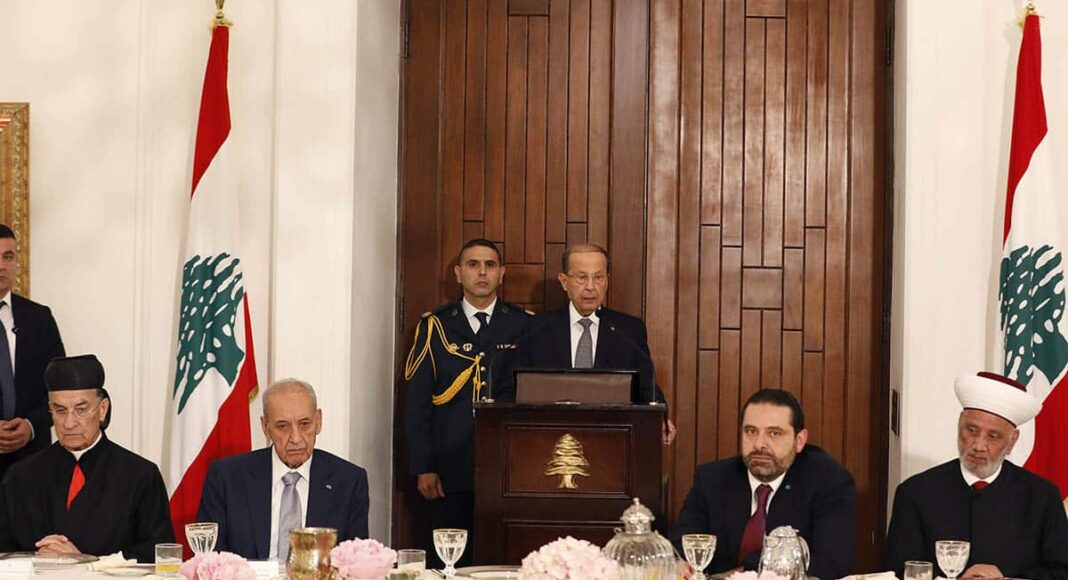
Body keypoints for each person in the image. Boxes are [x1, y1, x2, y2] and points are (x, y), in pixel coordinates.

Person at [404, 238, 531, 566]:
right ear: (459, 273)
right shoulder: (435, 326)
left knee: (504, 559)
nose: (482, 272)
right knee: (451, 560)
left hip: (510, 467)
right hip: (448, 469)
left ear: (501, 273)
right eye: (473, 265)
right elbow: (417, 403)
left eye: (490, 265)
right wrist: (423, 467)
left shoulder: (525, 325)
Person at [884, 372, 1068, 580]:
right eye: (971, 430)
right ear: (959, 425)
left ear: (1012, 441)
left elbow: (1061, 572)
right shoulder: (915, 492)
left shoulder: (1042, 496)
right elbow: (898, 570)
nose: (979, 446)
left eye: (993, 436)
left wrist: (1007, 579)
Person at [0, 354, 173, 562]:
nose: (69, 423)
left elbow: (159, 555)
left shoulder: (140, 475)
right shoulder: (20, 476)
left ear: (102, 409)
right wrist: (38, 560)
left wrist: (86, 561)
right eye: (60, 410)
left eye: (81, 410)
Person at [499, 243, 676, 444]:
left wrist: (660, 417)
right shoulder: (536, 328)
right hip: (546, 440)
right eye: (582, 277)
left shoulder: (628, 330)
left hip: (611, 441)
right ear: (564, 281)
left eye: (598, 277)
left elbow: (647, 384)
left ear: (607, 281)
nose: (591, 286)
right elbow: (511, 386)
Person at [671, 389, 856, 580]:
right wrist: (679, 565)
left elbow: (833, 563)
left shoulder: (830, 482)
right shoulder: (712, 479)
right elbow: (680, 546)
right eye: (751, 431)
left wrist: (749, 569)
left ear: (799, 441)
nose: (759, 444)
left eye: (774, 433)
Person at [197, 378, 369, 560]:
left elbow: (355, 565)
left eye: (304, 424)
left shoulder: (349, 481)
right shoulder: (227, 477)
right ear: (266, 427)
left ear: (318, 421)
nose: (295, 438)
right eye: (283, 426)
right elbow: (212, 560)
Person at [0, 224, 65, 480]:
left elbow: (60, 388)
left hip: (32, 462)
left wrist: (30, 426)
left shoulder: (40, 318)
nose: (2, 265)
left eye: (8, 256)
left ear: (17, 261)